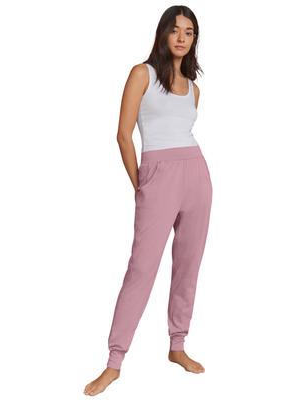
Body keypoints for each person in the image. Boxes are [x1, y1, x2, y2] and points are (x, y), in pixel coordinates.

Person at [84, 6, 212, 396]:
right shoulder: (142, 74)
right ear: (163, 33)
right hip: (157, 174)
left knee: (188, 265)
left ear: (194, 39)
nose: (182, 37)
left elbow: (182, 131)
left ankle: (178, 345)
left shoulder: (194, 88)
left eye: (189, 32)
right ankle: (114, 362)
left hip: (196, 175)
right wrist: (140, 184)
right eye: (176, 30)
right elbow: (123, 135)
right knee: (141, 269)